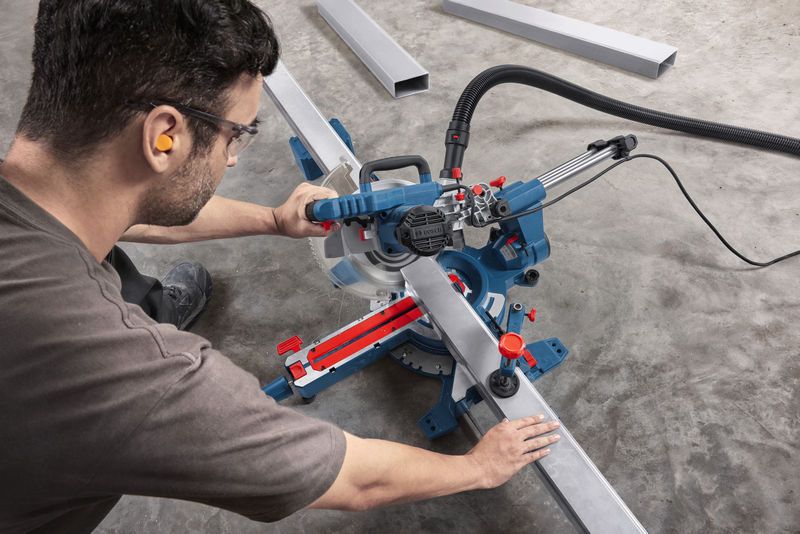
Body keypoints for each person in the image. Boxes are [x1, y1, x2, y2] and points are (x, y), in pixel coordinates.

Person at [0, 1, 561, 532]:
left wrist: (273, 218)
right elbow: (352, 479)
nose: (235, 155)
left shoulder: (44, 181)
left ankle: (146, 299)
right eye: (236, 133)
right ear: (161, 138)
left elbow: (127, 212)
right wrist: (479, 468)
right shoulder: (126, 376)